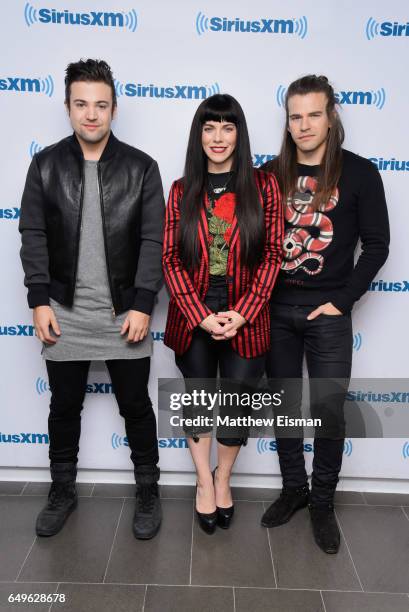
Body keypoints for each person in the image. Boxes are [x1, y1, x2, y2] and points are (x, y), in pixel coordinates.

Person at [19, 59, 165, 540]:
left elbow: (152, 240)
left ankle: (148, 489)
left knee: (136, 408)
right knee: (64, 408)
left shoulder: (142, 167)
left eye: (100, 105)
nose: (91, 114)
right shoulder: (45, 165)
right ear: (67, 107)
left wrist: (144, 302)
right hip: (62, 312)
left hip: (124, 313)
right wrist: (39, 299)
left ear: (114, 109)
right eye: (81, 104)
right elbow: (33, 233)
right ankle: (63, 489)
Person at [260, 75, 389, 553]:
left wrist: (343, 299)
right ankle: (294, 488)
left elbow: (377, 246)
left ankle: (322, 503)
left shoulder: (360, 174)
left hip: (329, 313)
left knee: (329, 409)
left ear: (331, 116)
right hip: (275, 311)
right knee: (285, 407)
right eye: (296, 116)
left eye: (314, 114)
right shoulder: (270, 174)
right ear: (288, 122)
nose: (305, 124)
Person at [162, 94, 283, 533]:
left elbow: (272, 255)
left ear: (239, 134)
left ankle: (223, 477)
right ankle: (202, 483)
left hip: (245, 317)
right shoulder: (180, 190)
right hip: (192, 316)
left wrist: (244, 313)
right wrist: (199, 315)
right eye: (209, 128)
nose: (218, 137)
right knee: (197, 403)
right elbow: (170, 261)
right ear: (199, 135)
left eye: (227, 128)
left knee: (236, 405)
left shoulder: (264, 187)